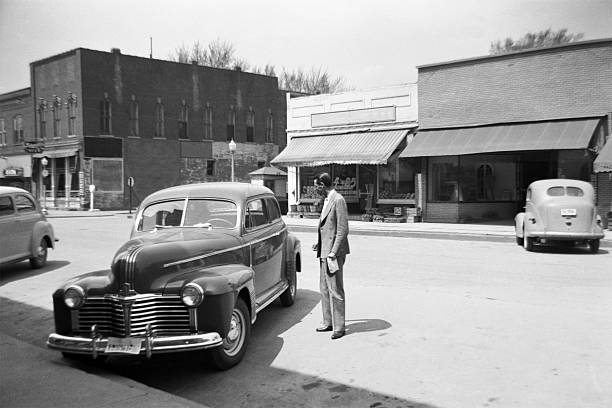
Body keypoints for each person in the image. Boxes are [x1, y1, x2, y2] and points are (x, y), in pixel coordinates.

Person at [311, 172, 350, 340]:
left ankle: (339, 327)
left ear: (322, 184)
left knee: (335, 290)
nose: (315, 189)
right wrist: (320, 244)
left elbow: (342, 229)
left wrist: (333, 252)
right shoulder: (326, 200)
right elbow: (327, 228)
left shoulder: (338, 200)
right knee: (324, 288)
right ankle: (328, 322)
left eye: (316, 186)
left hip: (333, 253)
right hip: (324, 252)